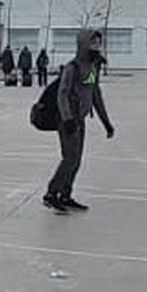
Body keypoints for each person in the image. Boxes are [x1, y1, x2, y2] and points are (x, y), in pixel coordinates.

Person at [44, 30, 114, 213]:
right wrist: (67, 118)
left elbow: (95, 94)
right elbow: (63, 93)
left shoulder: (93, 66)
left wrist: (105, 121)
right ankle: (51, 193)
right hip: (68, 119)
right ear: (83, 44)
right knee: (70, 158)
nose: (97, 47)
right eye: (93, 43)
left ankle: (65, 194)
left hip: (80, 119)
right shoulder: (72, 67)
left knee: (77, 160)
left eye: (99, 43)